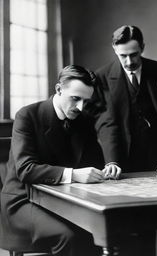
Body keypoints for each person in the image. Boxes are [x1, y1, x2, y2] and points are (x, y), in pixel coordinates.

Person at [1, 65, 105, 256]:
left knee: (96, 231)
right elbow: (25, 169)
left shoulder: (84, 120)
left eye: (86, 101)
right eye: (75, 98)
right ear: (59, 89)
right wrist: (74, 174)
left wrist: (105, 169)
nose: (80, 107)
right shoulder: (28, 116)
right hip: (23, 200)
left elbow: (94, 163)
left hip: (63, 200)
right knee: (68, 236)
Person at [95, 25, 157, 179]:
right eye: (123, 55)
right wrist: (112, 161)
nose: (129, 61)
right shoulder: (101, 77)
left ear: (142, 47)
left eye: (134, 54)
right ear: (114, 49)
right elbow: (106, 123)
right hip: (122, 160)